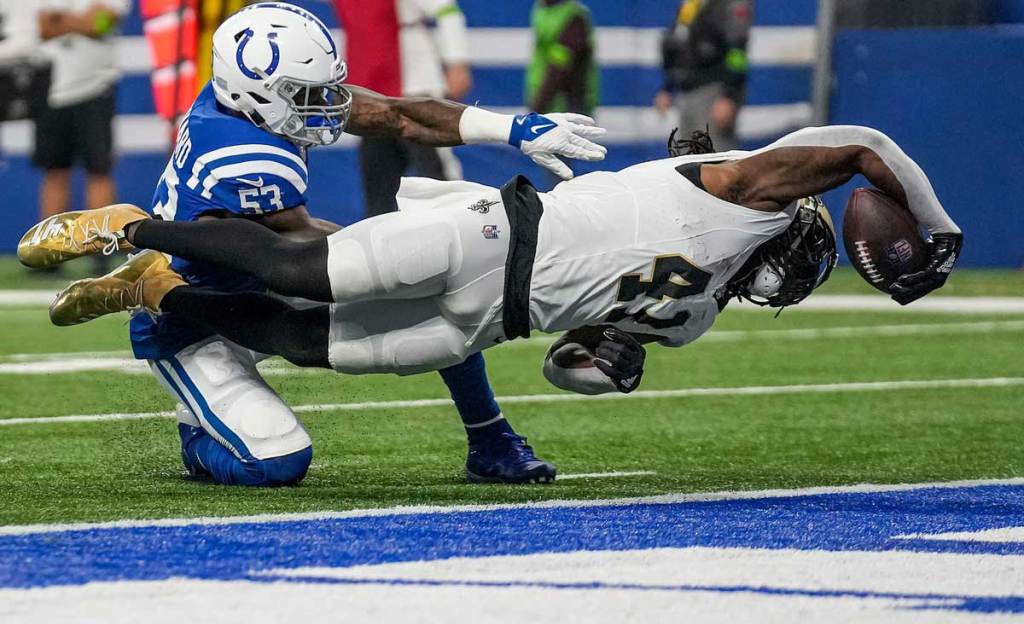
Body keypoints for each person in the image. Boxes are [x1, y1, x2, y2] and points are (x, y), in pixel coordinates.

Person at [22, 2, 606, 487]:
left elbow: (398, 115)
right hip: (197, 312)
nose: (325, 103)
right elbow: (303, 258)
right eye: (305, 93)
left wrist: (510, 128)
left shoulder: (248, 101)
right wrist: (431, 246)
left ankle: (490, 438)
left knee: (430, 288)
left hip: (263, 272)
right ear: (253, 93)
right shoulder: (248, 158)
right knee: (277, 461)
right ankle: (195, 428)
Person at [26, 126, 963, 403]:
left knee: (307, 343)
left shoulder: (701, 315)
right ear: (791, 228)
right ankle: (133, 228)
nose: (792, 281)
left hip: (495, 320)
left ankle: (164, 295)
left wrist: (612, 362)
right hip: (497, 234)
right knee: (310, 271)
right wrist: (934, 224)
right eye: (805, 260)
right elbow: (866, 141)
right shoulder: (735, 190)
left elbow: (576, 363)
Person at [334, 0, 474, 216]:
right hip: (371, 96)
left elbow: (447, 12)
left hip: (415, 87)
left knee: (436, 174)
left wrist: (457, 62)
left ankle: (463, 226)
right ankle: (381, 242)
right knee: (379, 183)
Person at [33, 0, 130, 275]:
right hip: (53, 89)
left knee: (98, 170)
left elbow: (100, 24)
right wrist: (81, 22)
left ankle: (101, 248)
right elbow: (43, 27)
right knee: (55, 170)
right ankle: (48, 252)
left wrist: (63, 20)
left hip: (95, 88)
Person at [655, 0, 752, 151]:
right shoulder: (691, 5)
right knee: (685, 159)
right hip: (687, 92)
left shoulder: (730, 4)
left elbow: (737, 51)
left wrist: (729, 95)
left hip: (714, 91)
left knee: (715, 156)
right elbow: (678, 46)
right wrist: (668, 87)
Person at [527, 0, 598, 117]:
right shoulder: (542, 10)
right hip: (546, 103)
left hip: (567, 106)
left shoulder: (574, 17)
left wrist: (537, 107)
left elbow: (559, 67)